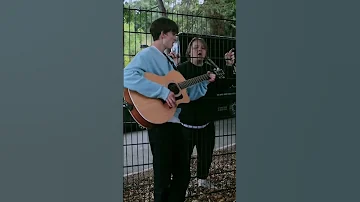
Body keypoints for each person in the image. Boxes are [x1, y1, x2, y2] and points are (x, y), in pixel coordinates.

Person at [123, 18, 216, 202]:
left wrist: (205, 81)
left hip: (174, 124)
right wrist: (161, 92)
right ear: (163, 34)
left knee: (183, 175)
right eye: (173, 34)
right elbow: (126, 76)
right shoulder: (148, 55)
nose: (175, 39)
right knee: (163, 179)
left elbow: (184, 94)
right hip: (159, 126)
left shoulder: (168, 60)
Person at [175, 37, 236, 190]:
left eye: (202, 48)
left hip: (206, 123)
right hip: (185, 124)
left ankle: (202, 179)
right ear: (189, 51)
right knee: (183, 158)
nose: (199, 50)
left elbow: (224, 84)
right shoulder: (181, 69)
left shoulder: (210, 70)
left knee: (206, 154)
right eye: (195, 47)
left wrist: (229, 65)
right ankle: (183, 184)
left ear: (206, 52)